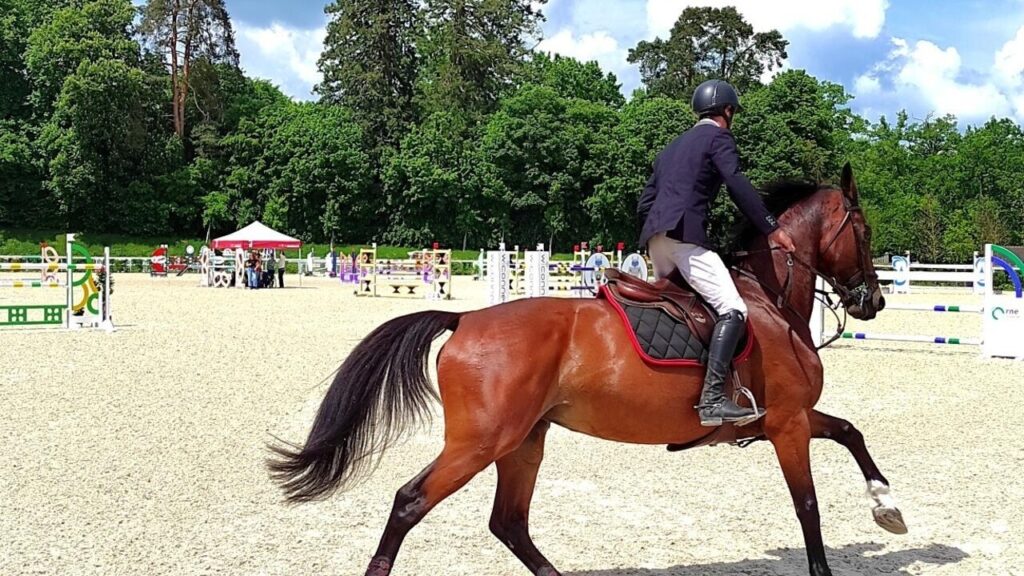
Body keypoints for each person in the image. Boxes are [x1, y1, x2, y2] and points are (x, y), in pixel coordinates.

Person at [636, 79, 796, 427]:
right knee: (732, 307)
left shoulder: (671, 147)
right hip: (684, 237)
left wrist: (655, 232)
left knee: (684, 307)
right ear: (727, 111)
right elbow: (737, 183)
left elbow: (646, 201)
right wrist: (773, 227)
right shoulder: (718, 137)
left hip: (656, 239)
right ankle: (711, 399)